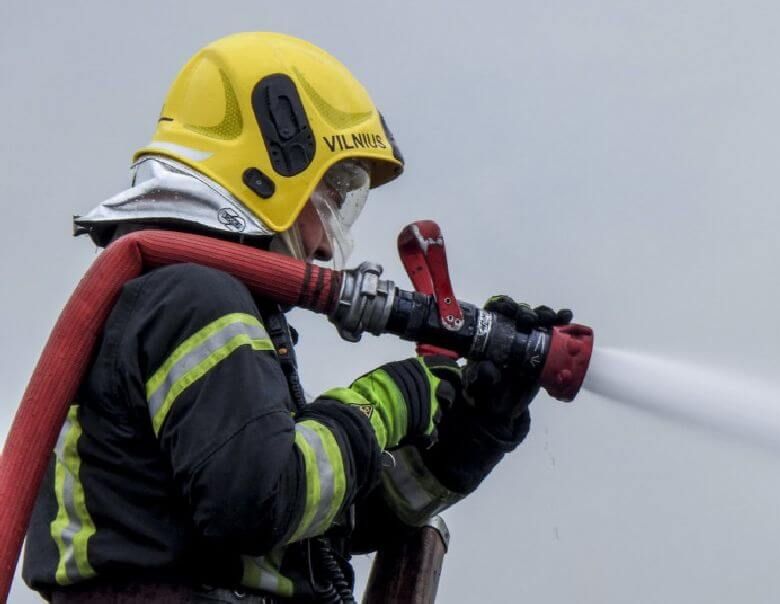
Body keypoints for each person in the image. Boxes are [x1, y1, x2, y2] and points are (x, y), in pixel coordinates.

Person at [22, 32, 570, 603]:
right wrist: (386, 401)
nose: (327, 248)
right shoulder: (192, 300)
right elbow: (259, 500)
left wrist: (471, 431)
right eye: (331, 198)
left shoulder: (183, 301)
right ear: (267, 170)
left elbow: (326, 525)